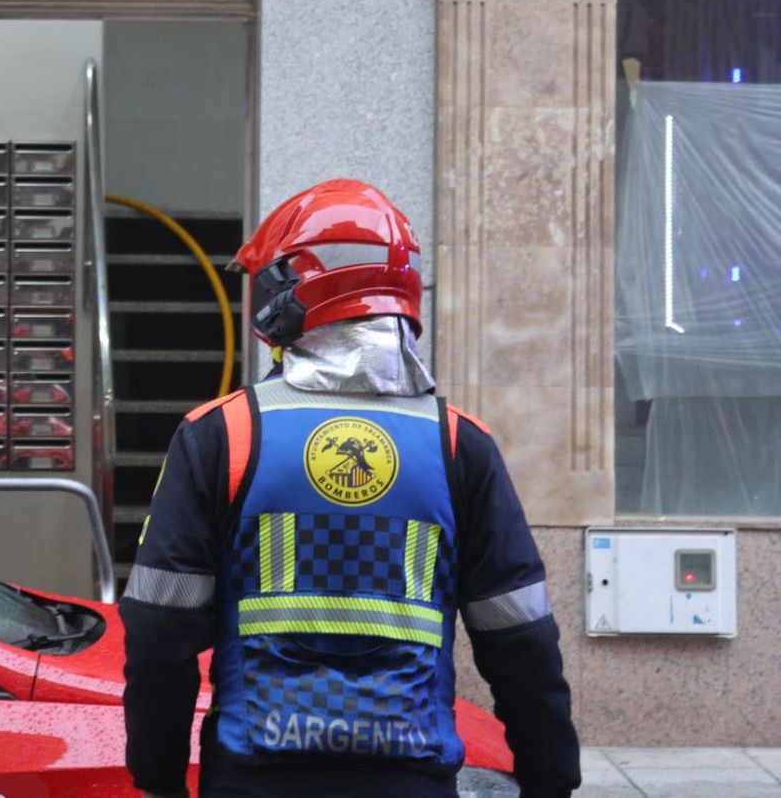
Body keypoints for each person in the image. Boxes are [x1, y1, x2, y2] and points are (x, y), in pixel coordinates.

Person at [121, 179, 580, 798]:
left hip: (254, 779)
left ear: (284, 293)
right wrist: (551, 780)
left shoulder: (223, 435)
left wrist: (159, 779)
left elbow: (159, 636)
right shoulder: (457, 444)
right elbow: (521, 641)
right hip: (411, 780)